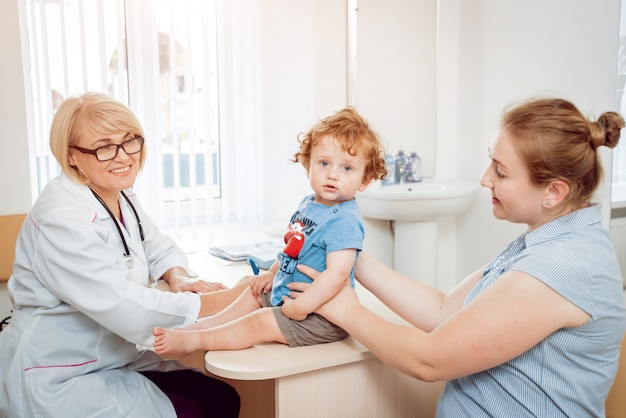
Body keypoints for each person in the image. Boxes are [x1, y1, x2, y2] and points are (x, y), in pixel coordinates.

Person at [292, 97, 626, 417]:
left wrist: (346, 310)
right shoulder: (545, 241)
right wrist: (343, 254)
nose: (485, 179)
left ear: (553, 191)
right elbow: (445, 310)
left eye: (501, 171)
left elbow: (430, 360)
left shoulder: (563, 263)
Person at [0, 92, 249, 417]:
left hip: (109, 353)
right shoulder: (63, 219)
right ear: (72, 156)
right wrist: (234, 298)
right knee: (209, 405)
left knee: (219, 396)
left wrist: (178, 275)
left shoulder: (116, 193)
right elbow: (126, 308)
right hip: (59, 370)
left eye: (130, 141)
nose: (124, 157)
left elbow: (155, 245)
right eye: (104, 147)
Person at [152, 106, 387, 355]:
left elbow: (337, 275)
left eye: (346, 168)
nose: (332, 174)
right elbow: (291, 250)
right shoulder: (310, 204)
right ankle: (199, 328)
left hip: (321, 314)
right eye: (324, 163)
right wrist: (271, 274)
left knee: (259, 321)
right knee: (250, 295)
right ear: (308, 165)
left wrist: (303, 307)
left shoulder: (344, 220)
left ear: (364, 180)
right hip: (289, 294)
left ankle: (195, 342)